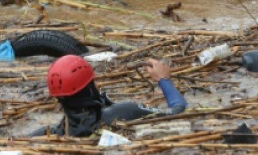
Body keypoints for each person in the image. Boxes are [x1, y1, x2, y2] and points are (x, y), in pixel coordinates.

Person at [32, 55, 187, 137]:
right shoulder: (122, 113)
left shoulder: (51, 133)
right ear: (91, 86)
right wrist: (164, 80)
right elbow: (180, 112)